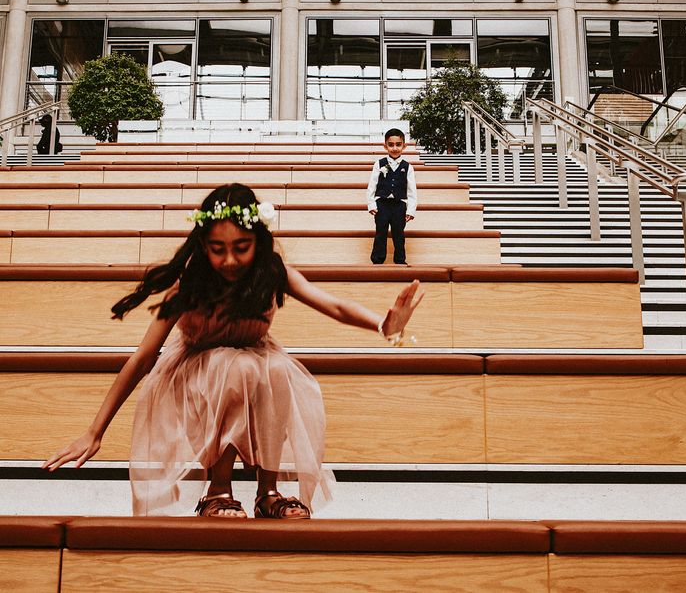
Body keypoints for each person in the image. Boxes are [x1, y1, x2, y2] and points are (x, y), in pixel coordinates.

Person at [43, 183, 423, 519]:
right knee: (235, 365)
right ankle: (218, 490)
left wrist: (384, 325)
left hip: (255, 369)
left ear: (258, 241)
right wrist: (94, 432)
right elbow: (143, 358)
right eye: (217, 249)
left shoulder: (272, 271)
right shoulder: (189, 285)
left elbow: (334, 305)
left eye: (241, 248)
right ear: (203, 246)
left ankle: (267, 491)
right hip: (196, 377)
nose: (229, 260)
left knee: (274, 367)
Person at [367, 128, 417, 265]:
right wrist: (371, 204)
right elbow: (372, 186)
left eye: (398, 144)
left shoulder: (408, 167)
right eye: (391, 145)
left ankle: (400, 261)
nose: (395, 148)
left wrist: (410, 210)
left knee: (399, 234)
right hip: (381, 205)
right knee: (380, 233)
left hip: (399, 205)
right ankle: (377, 260)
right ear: (385, 146)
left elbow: (412, 191)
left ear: (404, 146)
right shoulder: (379, 164)